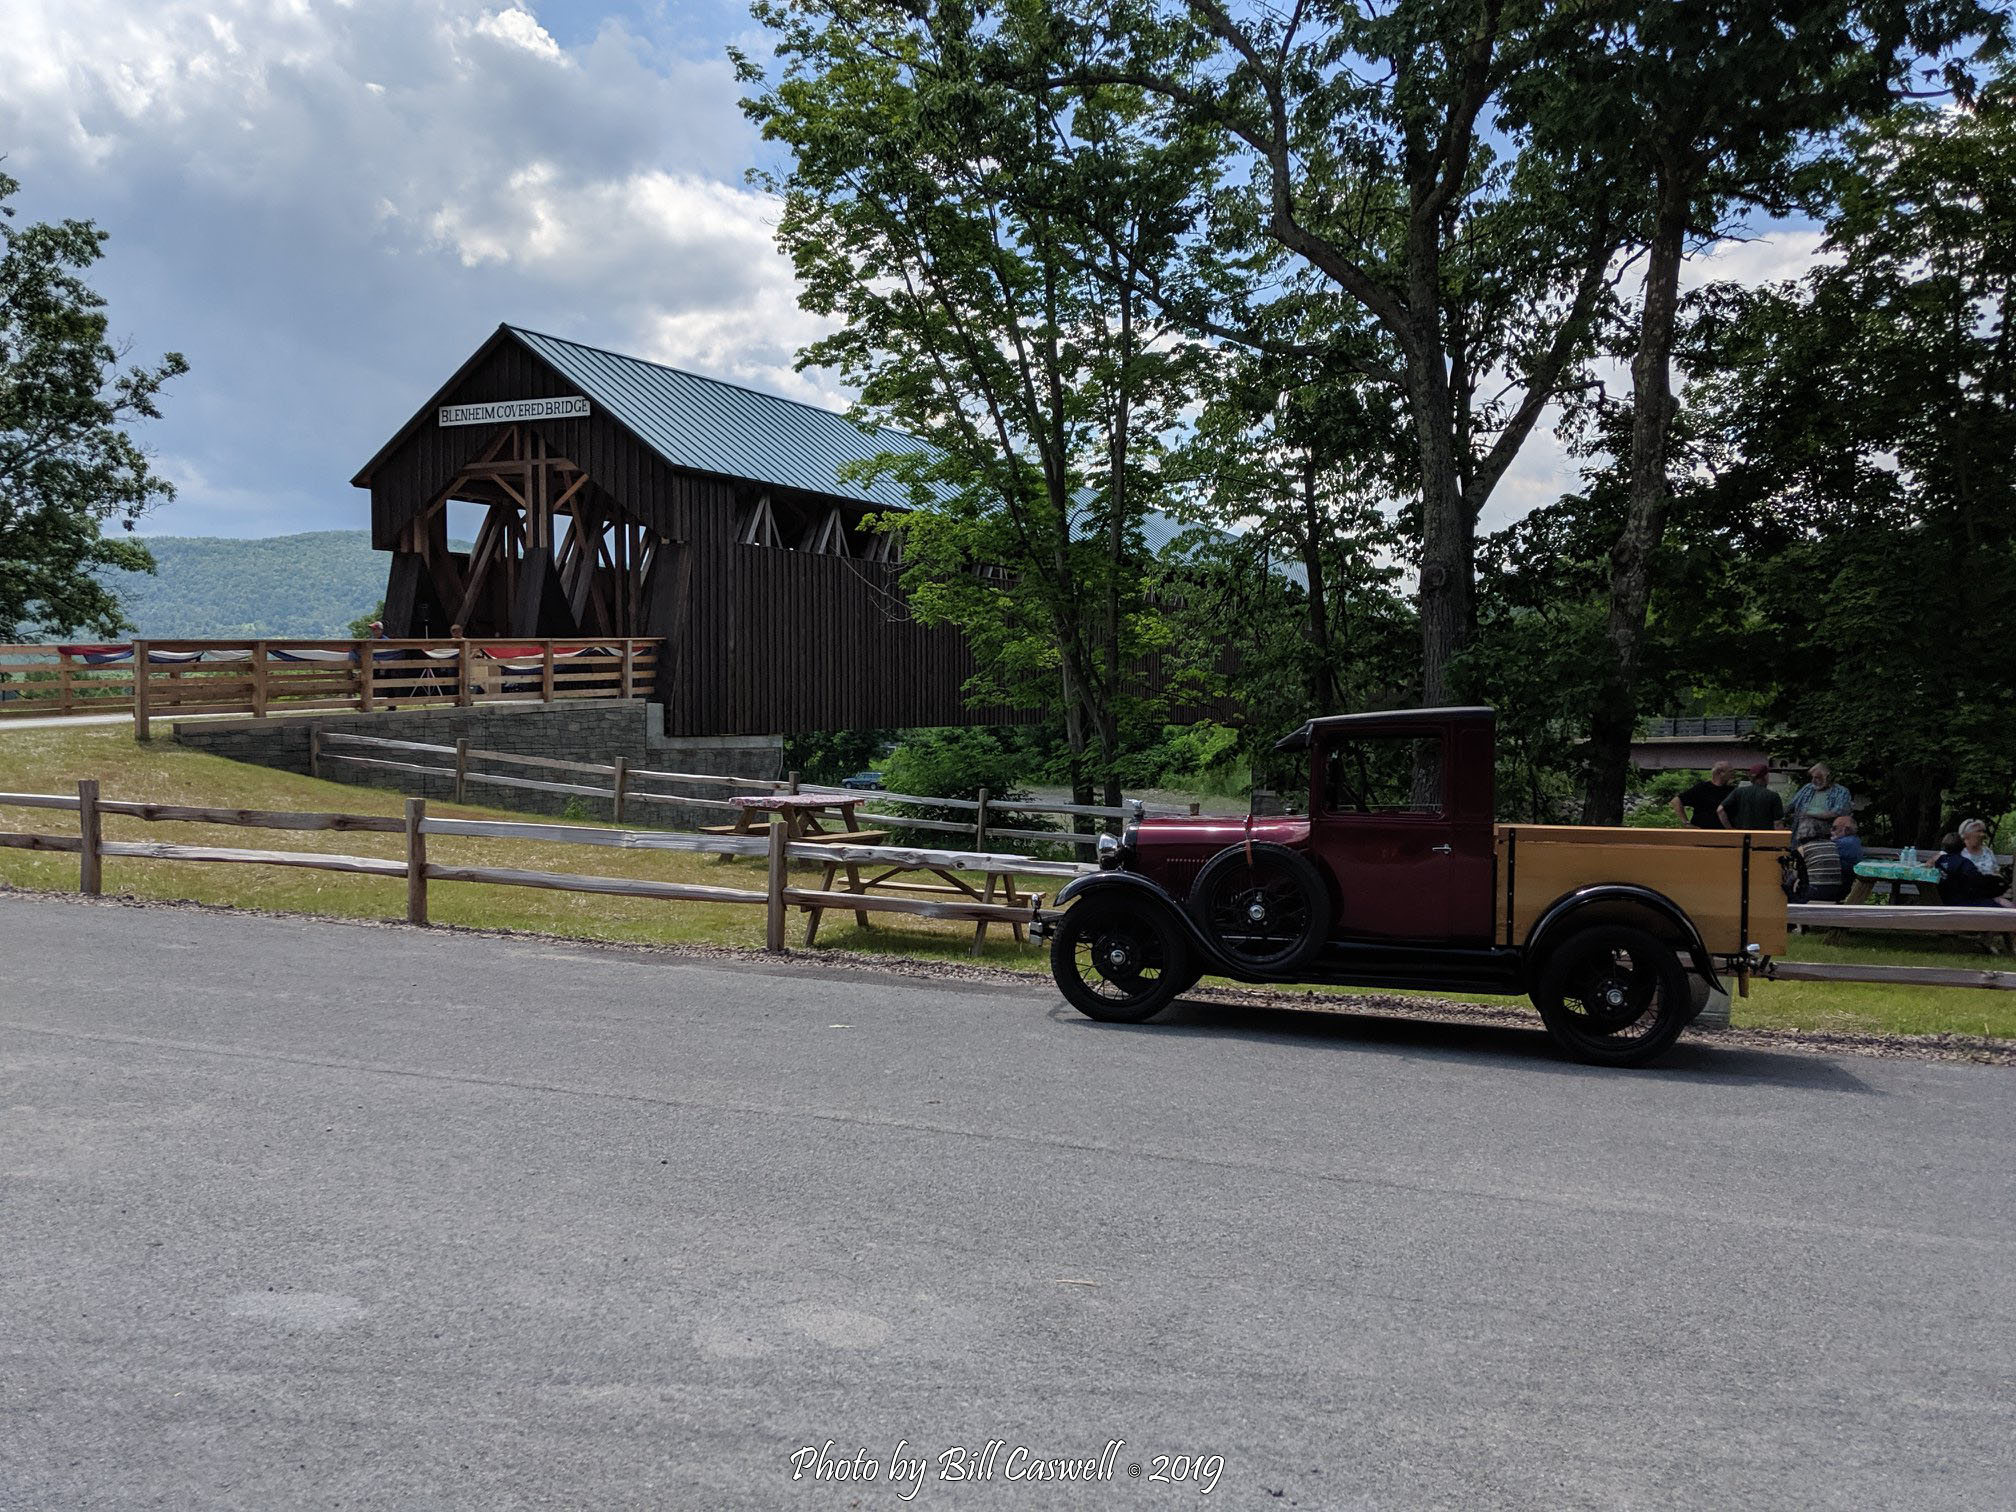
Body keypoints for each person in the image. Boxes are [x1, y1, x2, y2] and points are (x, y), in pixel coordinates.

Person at [1787, 763, 1853, 845]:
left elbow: (1837, 812)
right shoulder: (1807, 788)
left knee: (1808, 824)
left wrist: (1810, 815)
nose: (1813, 781)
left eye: (1817, 778)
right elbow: (1791, 806)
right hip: (1801, 828)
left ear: (1828, 777)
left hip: (1826, 829)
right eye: (1812, 777)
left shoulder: (1841, 791)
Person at [1720, 762, 1785, 830]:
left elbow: (1720, 810)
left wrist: (1730, 829)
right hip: (1764, 837)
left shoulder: (1738, 792)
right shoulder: (1773, 796)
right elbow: (1777, 824)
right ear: (1765, 776)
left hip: (1742, 837)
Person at [1672, 762, 1735, 830]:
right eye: (1730, 772)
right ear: (1720, 773)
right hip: (1701, 832)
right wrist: (1686, 823)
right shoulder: (1702, 788)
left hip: (1724, 833)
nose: (1733, 775)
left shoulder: (1731, 790)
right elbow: (1676, 801)